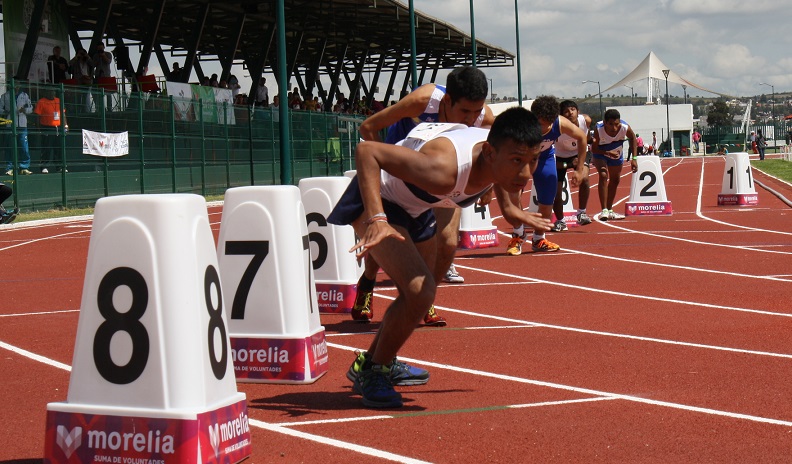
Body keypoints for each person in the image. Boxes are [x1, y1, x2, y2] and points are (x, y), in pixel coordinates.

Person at [328, 107, 550, 408]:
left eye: (532, 161)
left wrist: (511, 210)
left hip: (418, 204)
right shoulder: (444, 168)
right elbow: (367, 151)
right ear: (489, 153)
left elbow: (506, 169)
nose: (525, 174)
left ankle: (374, 362)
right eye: (516, 162)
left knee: (421, 290)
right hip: (381, 200)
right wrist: (378, 218)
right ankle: (374, 372)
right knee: (420, 291)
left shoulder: (501, 151)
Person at [352, 65, 496, 326]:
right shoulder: (423, 100)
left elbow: (498, 157)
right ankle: (367, 283)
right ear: (448, 100)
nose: (470, 119)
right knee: (388, 237)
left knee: (448, 242)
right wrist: (386, 165)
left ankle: (426, 299)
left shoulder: (485, 118)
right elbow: (368, 128)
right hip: (401, 177)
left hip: (443, 178)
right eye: (464, 111)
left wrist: (491, 187)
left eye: (476, 111)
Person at [505, 95, 587, 254]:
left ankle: (538, 238)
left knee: (548, 195)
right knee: (513, 194)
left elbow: (582, 138)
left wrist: (580, 168)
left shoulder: (559, 123)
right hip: (522, 158)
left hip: (545, 157)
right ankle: (518, 233)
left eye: (550, 124)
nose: (546, 128)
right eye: (542, 124)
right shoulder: (521, 125)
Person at [550, 100, 592, 230]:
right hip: (560, 157)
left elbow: (586, 140)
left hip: (579, 153)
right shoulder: (556, 126)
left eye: (573, 109)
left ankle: (581, 213)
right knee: (555, 190)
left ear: (578, 111)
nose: (570, 113)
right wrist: (565, 164)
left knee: (584, 179)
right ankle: (560, 221)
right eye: (566, 111)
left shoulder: (586, 121)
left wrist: (579, 165)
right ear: (561, 115)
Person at [591, 109, 637, 221]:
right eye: (610, 124)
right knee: (603, 175)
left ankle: (610, 209)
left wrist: (634, 158)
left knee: (615, 180)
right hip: (600, 153)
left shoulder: (625, 127)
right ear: (605, 122)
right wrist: (607, 153)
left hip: (616, 153)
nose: (614, 128)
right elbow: (594, 148)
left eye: (616, 124)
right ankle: (604, 210)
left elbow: (633, 138)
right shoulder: (598, 129)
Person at [1, 82, 34, 176]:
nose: (16, 87)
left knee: (24, 146)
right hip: (10, 124)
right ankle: (9, 168)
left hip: (23, 124)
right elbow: (0, 109)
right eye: (15, 84)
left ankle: (24, 167)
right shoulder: (5, 96)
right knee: (10, 146)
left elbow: (30, 108)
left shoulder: (25, 96)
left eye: (18, 85)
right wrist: (6, 111)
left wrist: (25, 110)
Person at [34, 89, 68, 174]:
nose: (52, 93)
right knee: (47, 148)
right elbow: (37, 116)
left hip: (58, 127)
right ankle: (44, 167)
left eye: (53, 92)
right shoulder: (41, 102)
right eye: (50, 91)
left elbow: (63, 114)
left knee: (59, 148)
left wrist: (65, 125)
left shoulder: (58, 100)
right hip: (47, 127)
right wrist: (38, 129)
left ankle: (60, 167)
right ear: (45, 92)